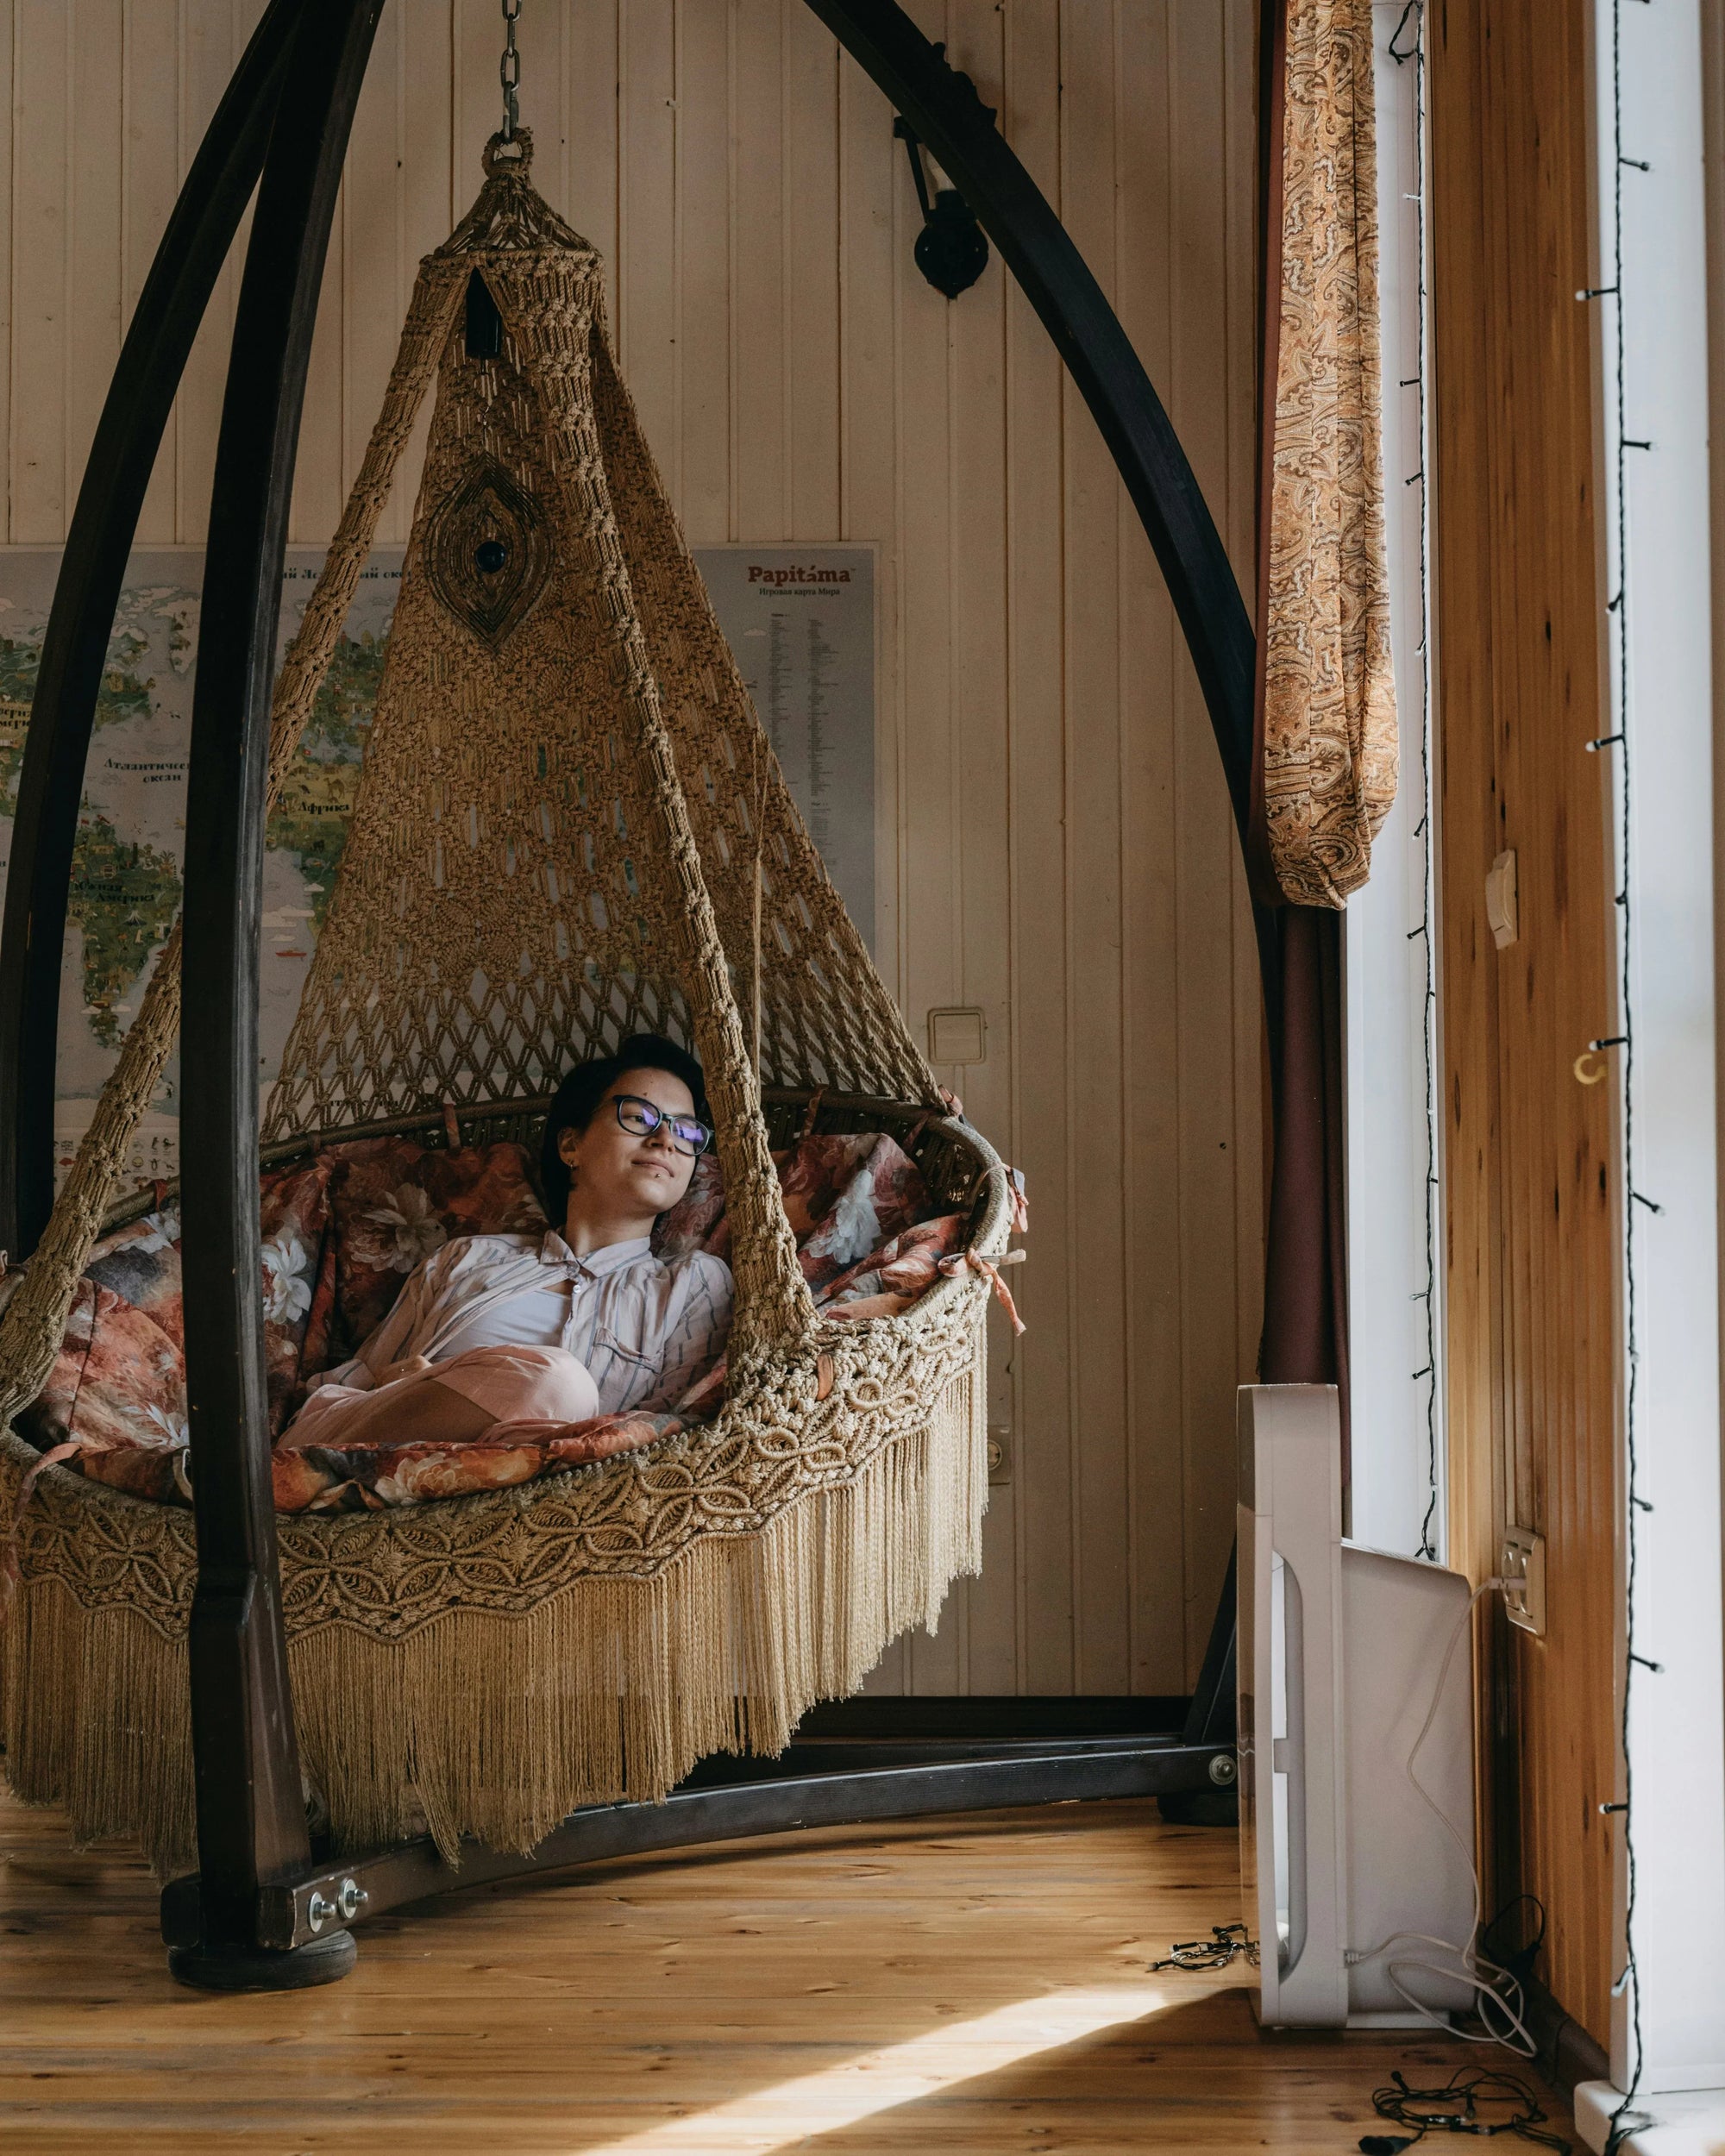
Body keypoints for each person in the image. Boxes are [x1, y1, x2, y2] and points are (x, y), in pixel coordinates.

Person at [281, 1034, 733, 1453]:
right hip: (361, 1445)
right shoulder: (468, 1258)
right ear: (570, 1145)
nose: (665, 1141)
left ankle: (502, 1454)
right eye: (638, 1117)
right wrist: (407, 1383)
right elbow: (351, 1393)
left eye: (688, 1132)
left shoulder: (691, 1285)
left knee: (564, 1388)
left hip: (548, 1487)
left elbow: (674, 1433)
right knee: (560, 1384)